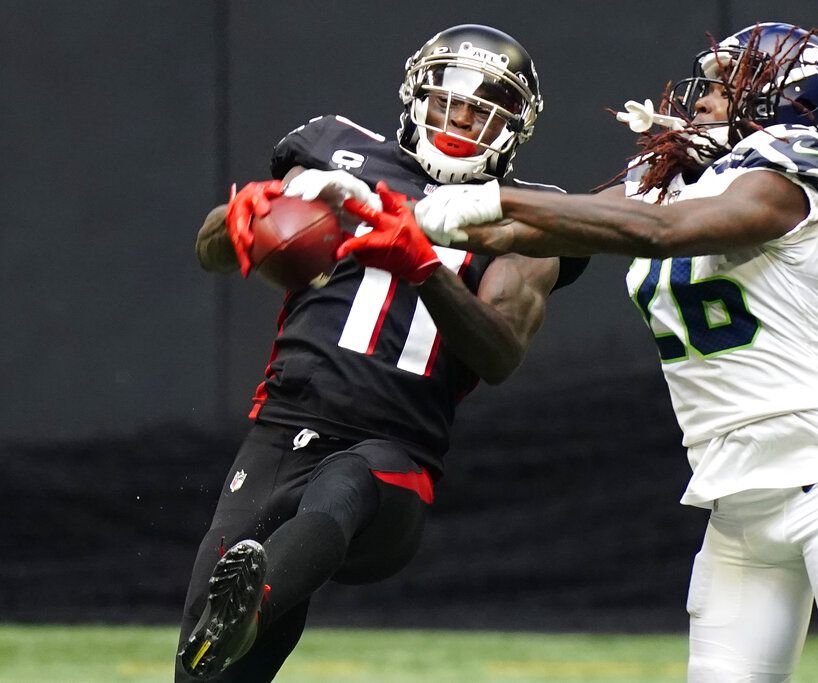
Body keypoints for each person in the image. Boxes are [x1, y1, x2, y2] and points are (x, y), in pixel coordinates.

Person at [402, 22, 818, 682]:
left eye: (730, 85)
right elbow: (546, 223)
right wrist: (392, 214)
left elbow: (660, 232)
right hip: (736, 506)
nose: (702, 96)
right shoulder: (673, 178)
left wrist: (487, 198)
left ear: (788, 104)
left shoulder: (799, 163)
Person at [176, 24, 585, 681]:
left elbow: (500, 353)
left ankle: (255, 603)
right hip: (280, 432)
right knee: (206, 670)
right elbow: (211, 251)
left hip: (396, 455)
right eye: (449, 101)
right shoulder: (334, 150)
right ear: (414, 97)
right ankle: (241, 614)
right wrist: (239, 217)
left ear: (516, 128)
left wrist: (426, 268)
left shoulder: (525, 213)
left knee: (347, 480)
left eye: (484, 111)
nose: (461, 121)